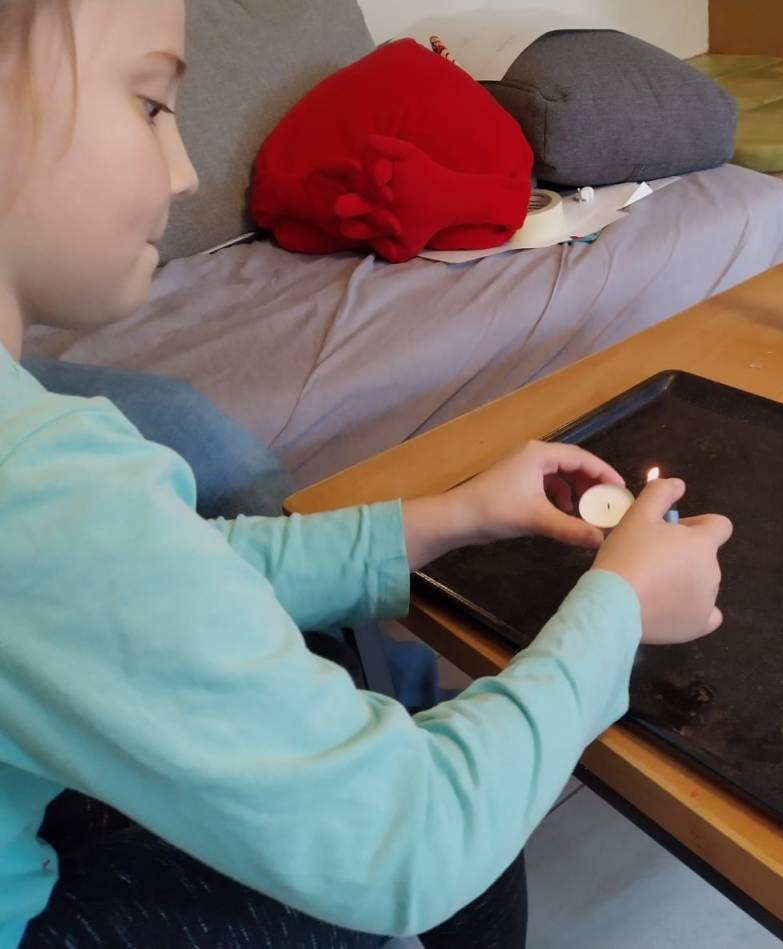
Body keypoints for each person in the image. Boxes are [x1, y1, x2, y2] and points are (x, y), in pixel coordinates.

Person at [0, 4, 734, 949]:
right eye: (149, 104)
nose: (184, 172)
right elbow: (413, 835)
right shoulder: (41, 476)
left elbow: (147, 574)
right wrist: (621, 608)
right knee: (464, 824)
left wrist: (447, 515)